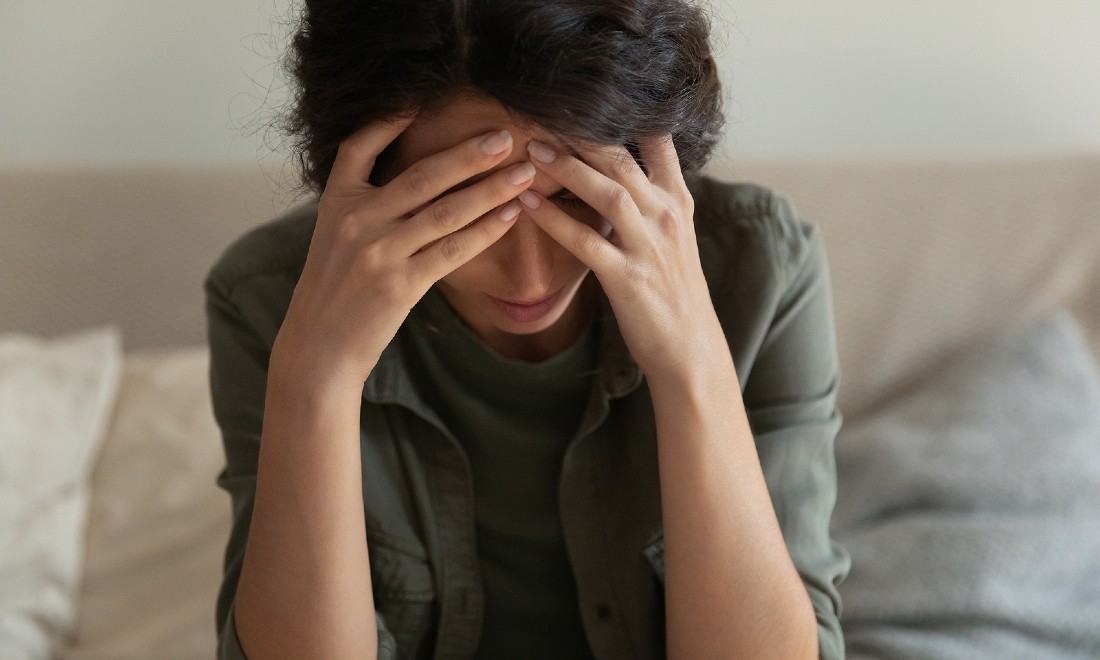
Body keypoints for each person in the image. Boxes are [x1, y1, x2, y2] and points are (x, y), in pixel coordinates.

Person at [206, 0, 851, 658]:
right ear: (368, 174)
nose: (530, 279)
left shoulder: (762, 268)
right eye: (462, 206)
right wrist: (315, 382)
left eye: (575, 199)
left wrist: (691, 366)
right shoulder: (265, 297)